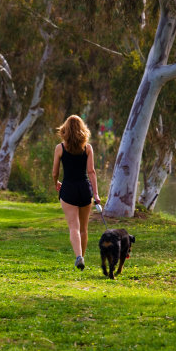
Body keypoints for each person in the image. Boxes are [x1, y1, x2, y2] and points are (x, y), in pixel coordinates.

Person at [52, 115, 100, 270]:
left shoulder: (60, 148)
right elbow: (91, 172)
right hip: (84, 189)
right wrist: (96, 194)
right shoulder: (87, 148)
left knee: (73, 226)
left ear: (65, 129)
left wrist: (56, 183)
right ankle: (82, 257)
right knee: (83, 228)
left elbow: (55, 172)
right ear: (82, 130)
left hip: (68, 190)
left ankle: (79, 257)